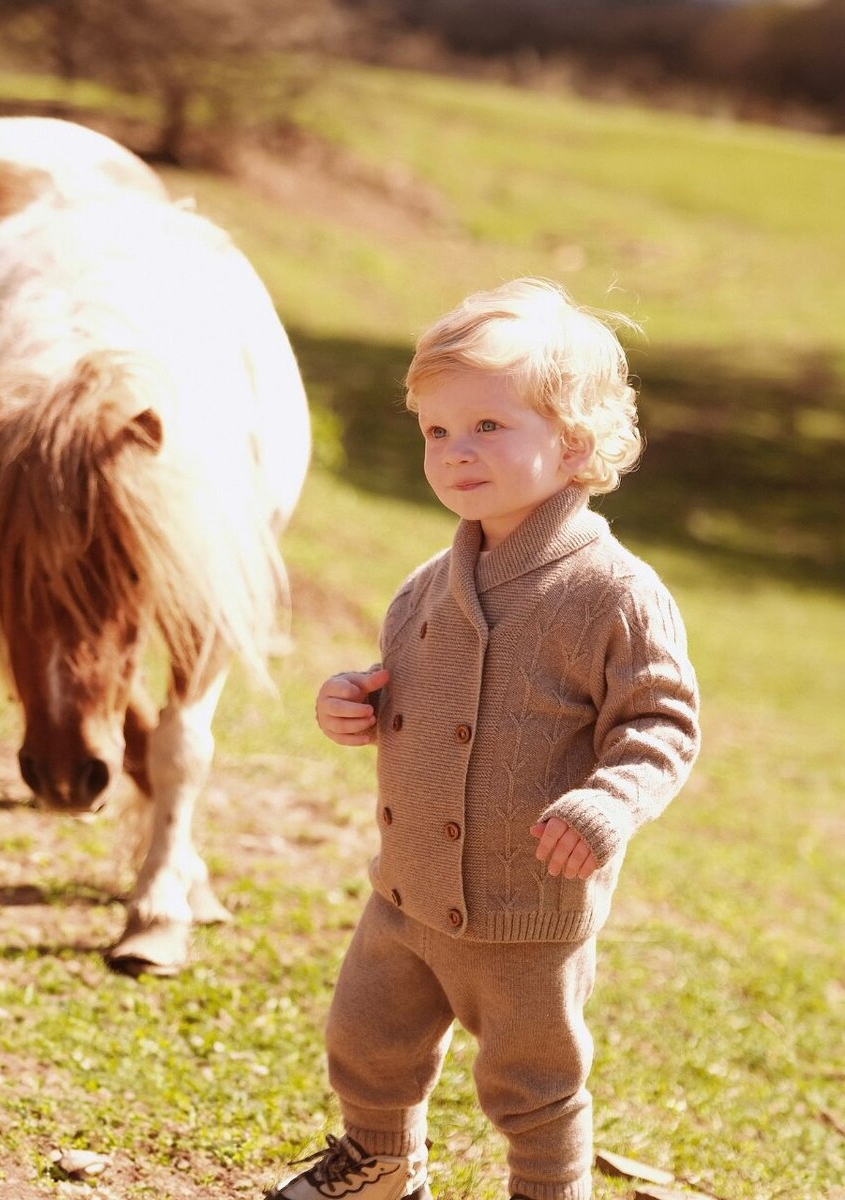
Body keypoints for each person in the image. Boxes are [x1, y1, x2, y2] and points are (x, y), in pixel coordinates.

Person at [266, 278, 700, 1200]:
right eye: (437, 431)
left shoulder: (613, 593)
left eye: (488, 429)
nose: (456, 452)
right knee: (366, 1040)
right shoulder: (426, 585)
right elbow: (412, 700)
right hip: (408, 889)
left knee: (533, 1088)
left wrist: (610, 800)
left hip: (527, 906)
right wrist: (355, 703)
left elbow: (660, 722)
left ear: (576, 440)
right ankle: (381, 1162)